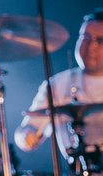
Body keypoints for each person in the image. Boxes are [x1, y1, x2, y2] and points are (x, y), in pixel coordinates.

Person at [16, 9, 103, 156]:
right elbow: (26, 129)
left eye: (99, 41)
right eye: (86, 37)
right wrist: (27, 136)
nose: (90, 47)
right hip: (78, 175)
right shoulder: (58, 84)